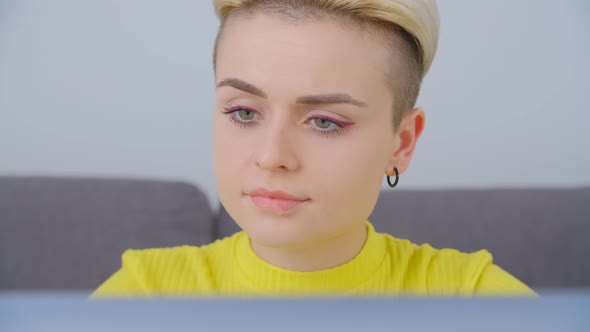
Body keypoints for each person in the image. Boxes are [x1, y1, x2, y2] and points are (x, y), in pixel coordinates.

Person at [93, 0, 534, 297]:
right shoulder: (145, 294)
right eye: (244, 113)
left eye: (324, 122)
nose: (271, 156)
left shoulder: (472, 298)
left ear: (402, 142)